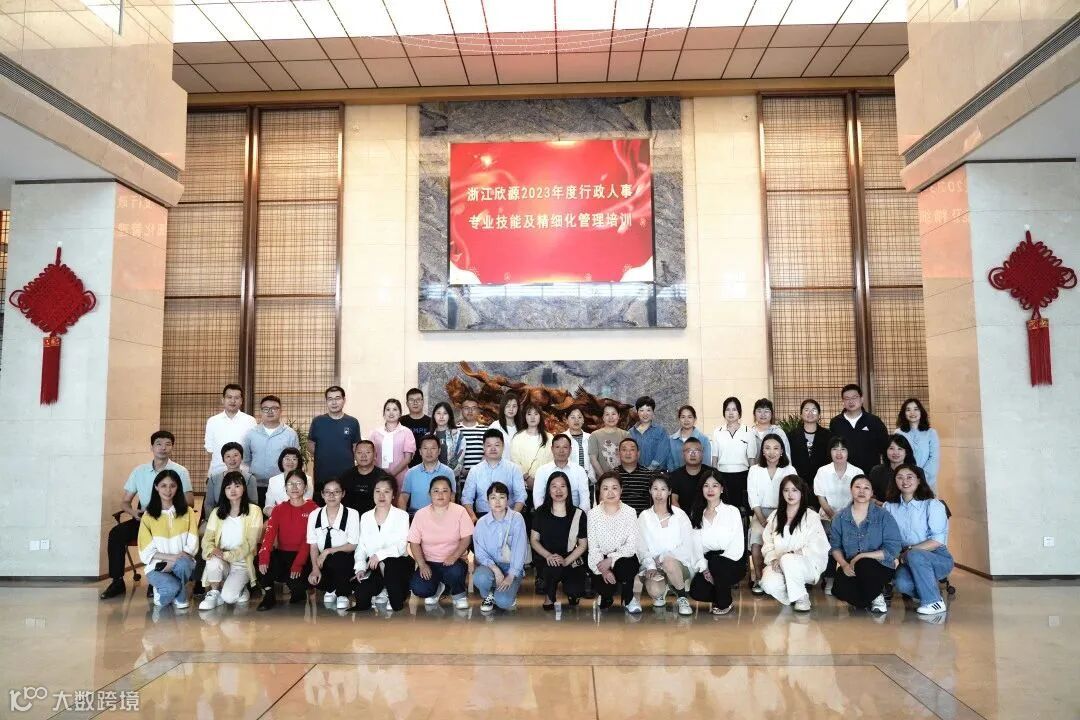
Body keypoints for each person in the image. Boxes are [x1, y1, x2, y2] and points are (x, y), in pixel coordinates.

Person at [101, 431, 193, 600]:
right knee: (116, 534)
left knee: (163, 539)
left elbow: (189, 502)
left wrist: (166, 508)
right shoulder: (139, 471)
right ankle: (117, 581)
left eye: (168, 444)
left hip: (169, 522)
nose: (163, 448)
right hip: (144, 520)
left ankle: (157, 580)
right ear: (151, 447)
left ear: (172, 447)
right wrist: (133, 512)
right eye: (159, 444)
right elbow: (125, 502)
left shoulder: (180, 471)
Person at [885, 463, 954, 616]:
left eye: (910, 477)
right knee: (902, 584)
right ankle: (929, 591)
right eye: (900, 477)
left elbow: (937, 541)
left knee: (914, 554)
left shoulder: (932, 504)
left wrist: (908, 551)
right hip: (906, 557)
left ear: (919, 480)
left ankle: (933, 602)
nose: (905, 481)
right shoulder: (889, 506)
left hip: (937, 556)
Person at [829, 475, 902, 613]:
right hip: (852, 566)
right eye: (857, 487)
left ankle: (876, 596)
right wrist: (844, 565)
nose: (861, 491)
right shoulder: (840, 517)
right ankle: (871, 594)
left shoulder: (883, 516)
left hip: (881, 565)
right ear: (851, 490)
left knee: (864, 564)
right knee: (837, 589)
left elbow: (893, 549)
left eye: (866, 488)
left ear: (872, 492)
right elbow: (835, 547)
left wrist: (861, 556)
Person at [759, 476, 830, 611]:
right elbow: (768, 543)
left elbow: (818, 544)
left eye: (794, 490)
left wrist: (789, 555)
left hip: (807, 564)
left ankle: (802, 598)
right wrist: (774, 559)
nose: (790, 494)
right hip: (778, 563)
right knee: (768, 584)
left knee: (787, 559)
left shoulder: (811, 516)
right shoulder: (775, 515)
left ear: (802, 493)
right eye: (786, 490)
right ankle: (793, 594)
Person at [199, 472, 264, 610]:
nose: (233, 490)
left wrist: (227, 555)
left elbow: (251, 542)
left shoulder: (254, 511)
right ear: (224, 491)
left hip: (242, 561)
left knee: (229, 598)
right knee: (212, 560)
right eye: (228, 487)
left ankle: (241, 590)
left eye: (237, 486)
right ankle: (214, 593)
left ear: (244, 488)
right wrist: (212, 550)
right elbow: (207, 539)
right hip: (220, 556)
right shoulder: (217, 512)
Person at [407, 476, 474, 610]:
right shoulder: (420, 514)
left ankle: (459, 594)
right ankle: (438, 587)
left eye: (445, 490)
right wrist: (422, 564)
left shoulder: (460, 511)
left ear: (451, 494)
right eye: (436, 491)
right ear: (429, 494)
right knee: (419, 589)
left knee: (455, 572)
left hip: (454, 561)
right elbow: (414, 543)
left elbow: (467, 538)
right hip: (429, 562)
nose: (440, 494)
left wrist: (454, 556)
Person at [349, 477, 414, 613]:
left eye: (386, 491)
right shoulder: (366, 517)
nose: (381, 495)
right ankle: (382, 588)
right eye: (378, 491)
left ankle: (391, 590)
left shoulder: (402, 516)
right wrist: (360, 568)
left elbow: (401, 546)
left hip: (398, 564)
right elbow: (361, 546)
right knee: (361, 597)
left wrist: (379, 555)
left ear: (393, 495)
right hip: (375, 566)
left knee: (396, 602)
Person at [256, 469, 317, 611]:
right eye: (290, 484)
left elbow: (309, 540)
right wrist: (264, 557)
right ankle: (269, 596)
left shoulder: (313, 509)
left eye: (298, 483)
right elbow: (269, 536)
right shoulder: (278, 509)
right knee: (259, 561)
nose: (294, 487)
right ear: (285, 487)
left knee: (297, 587)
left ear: (305, 487)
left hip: (304, 556)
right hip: (283, 554)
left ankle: (298, 591)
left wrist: (298, 564)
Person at [138, 469, 198, 610]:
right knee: (171, 588)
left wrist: (176, 560)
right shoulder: (148, 515)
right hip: (158, 566)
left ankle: (179, 593)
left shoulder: (188, 512)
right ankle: (168, 590)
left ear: (178, 488)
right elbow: (146, 551)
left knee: (183, 565)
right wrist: (172, 559)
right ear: (156, 487)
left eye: (172, 486)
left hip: (182, 561)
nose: (168, 490)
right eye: (163, 486)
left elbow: (193, 543)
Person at [688, 471, 746, 615]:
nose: (710, 489)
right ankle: (722, 592)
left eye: (715, 485)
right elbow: (695, 545)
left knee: (717, 563)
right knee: (696, 591)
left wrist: (717, 567)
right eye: (706, 486)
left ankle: (725, 603)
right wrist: (705, 568)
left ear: (722, 489)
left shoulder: (732, 511)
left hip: (731, 561)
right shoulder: (696, 513)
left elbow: (737, 544)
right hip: (708, 561)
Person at [747, 434, 797, 595]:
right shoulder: (755, 470)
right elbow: (753, 497)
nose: (771, 452)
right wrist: (762, 519)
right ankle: (759, 579)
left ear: (782, 451)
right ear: (762, 451)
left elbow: (794, 495)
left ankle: (787, 578)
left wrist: (781, 516)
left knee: (783, 543)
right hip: (760, 513)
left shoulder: (789, 470)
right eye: (767, 448)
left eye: (776, 448)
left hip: (784, 512)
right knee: (756, 542)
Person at [637, 476, 695, 615]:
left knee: (669, 561)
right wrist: (651, 565)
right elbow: (640, 546)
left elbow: (688, 545)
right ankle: (665, 588)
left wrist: (663, 557)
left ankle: (682, 597)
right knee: (655, 591)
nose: (659, 493)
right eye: (655, 489)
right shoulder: (644, 516)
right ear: (650, 491)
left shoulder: (680, 515)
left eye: (663, 489)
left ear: (669, 491)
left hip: (678, 565)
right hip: (655, 566)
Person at [530, 472, 589, 610]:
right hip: (547, 558)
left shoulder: (578, 514)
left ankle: (572, 592)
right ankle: (549, 596)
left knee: (575, 591)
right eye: (554, 486)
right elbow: (534, 540)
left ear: (568, 489)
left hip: (571, 558)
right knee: (552, 566)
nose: (558, 490)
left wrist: (566, 561)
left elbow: (583, 545)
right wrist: (549, 556)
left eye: (563, 486)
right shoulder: (540, 512)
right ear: (548, 490)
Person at [813, 437, 863, 594]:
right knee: (828, 537)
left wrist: (843, 517)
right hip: (827, 517)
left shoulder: (857, 472)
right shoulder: (822, 471)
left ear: (848, 452)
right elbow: (821, 498)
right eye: (835, 449)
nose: (839, 453)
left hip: (851, 517)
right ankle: (829, 577)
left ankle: (850, 574)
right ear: (830, 452)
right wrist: (833, 516)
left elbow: (858, 498)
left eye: (843, 449)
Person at [587, 472, 641, 613]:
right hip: (601, 559)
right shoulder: (592, 514)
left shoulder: (630, 512)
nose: (610, 492)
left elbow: (632, 545)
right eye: (605, 488)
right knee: (604, 587)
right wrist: (604, 569)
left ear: (621, 489)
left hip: (623, 557)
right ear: (600, 491)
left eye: (614, 488)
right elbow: (593, 547)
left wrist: (611, 559)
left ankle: (628, 598)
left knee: (626, 566)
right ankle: (606, 596)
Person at [473, 482, 529, 613]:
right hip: (490, 567)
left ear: (508, 500)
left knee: (503, 602)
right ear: (487, 501)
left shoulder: (516, 518)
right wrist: (496, 570)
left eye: (502, 497)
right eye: (493, 497)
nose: (497, 501)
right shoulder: (481, 523)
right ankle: (489, 595)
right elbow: (480, 553)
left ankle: (503, 594)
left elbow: (520, 550)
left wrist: (511, 576)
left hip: (511, 567)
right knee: (480, 577)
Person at [306, 479, 360, 610]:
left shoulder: (352, 514)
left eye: (336, 492)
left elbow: (353, 545)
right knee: (308, 575)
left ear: (343, 494)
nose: (331, 495)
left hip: (345, 560)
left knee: (339, 558)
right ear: (322, 494)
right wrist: (315, 568)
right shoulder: (314, 515)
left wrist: (327, 551)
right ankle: (331, 588)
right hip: (322, 560)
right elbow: (313, 546)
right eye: (327, 492)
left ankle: (342, 593)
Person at [243, 395, 299, 508]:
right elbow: (247, 459)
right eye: (266, 409)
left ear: (280, 410)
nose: (270, 411)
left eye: (274, 408)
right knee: (257, 515)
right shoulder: (251, 433)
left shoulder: (290, 434)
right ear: (261, 411)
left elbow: (296, 460)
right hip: (256, 485)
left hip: (282, 485)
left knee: (281, 516)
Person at [461, 429, 527, 522]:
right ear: (483, 447)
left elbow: (521, 496)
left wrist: (513, 518)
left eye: (497, 445)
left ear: (503, 446)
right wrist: (473, 517)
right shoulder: (475, 470)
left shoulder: (514, 469)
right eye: (489, 445)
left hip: (508, 515)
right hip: (483, 516)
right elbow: (466, 498)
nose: (493, 449)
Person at [828, 384, 889, 478]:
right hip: (844, 474)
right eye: (847, 398)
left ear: (862, 399)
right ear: (843, 402)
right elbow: (832, 448)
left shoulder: (874, 421)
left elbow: (885, 447)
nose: (851, 401)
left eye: (854, 397)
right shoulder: (836, 422)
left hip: (870, 474)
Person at [307, 385, 361, 487]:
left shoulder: (352, 422)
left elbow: (356, 447)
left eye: (337, 398)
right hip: (322, 474)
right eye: (330, 399)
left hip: (346, 475)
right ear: (326, 401)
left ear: (344, 400)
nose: (334, 402)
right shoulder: (317, 421)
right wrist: (325, 455)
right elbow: (310, 445)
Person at [710, 397, 755, 514]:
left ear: (739, 412)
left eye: (734, 409)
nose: (731, 413)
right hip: (723, 476)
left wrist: (752, 479)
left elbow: (752, 459)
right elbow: (714, 458)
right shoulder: (717, 432)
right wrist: (714, 478)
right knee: (724, 509)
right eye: (727, 409)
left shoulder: (749, 431)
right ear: (724, 412)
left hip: (743, 476)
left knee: (742, 511)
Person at [203, 383, 256, 482]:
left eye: (236, 398)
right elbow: (210, 450)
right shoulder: (212, 421)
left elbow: (253, 448)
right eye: (229, 397)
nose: (233, 401)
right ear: (223, 400)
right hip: (217, 473)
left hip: (243, 474)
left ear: (241, 401)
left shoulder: (250, 421)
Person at [787, 399, 832, 509]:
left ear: (819, 414)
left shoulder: (828, 435)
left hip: (822, 485)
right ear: (801, 414)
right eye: (806, 410)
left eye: (814, 410)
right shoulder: (792, 436)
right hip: (798, 485)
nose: (810, 413)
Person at [333, 440, 394, 516]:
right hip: (350, 518)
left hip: (375, 518)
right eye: (359, 453)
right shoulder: (346, 476)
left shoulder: (383, 477)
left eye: (368, 452)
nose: (363, 456)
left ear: (375, 455)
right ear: (354, 455)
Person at [532, 434, 591, 511]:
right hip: (549, 514)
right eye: (557, 447)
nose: (561, 451)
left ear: (570, 450)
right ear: (552, 449)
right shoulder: (542, 471)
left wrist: (578, 516)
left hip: (574, 514)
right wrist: (545, 515)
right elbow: (538, 498)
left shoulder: (579, 471)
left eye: (565, 447)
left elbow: (585, 501)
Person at [400, 436, 456, 515]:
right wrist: (403, 518)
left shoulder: (448, 472)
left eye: (433, 448)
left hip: (440, 515)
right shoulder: (411, 473)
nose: (429, 452)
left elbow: (451, 497)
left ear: (439, 451)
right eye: (425, 448)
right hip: (416, 515)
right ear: (420, 451)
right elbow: (403, 497)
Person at [368, 398, 416, 490]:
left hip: (401, 476)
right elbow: (371, 456)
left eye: (395, 409)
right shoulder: (375, 433)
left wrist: (391, 474)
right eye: (388, 409)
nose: (391, 412)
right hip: (379, 477)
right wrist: (381, 474)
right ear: (383, 413)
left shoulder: (406, 432)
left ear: (400, 413)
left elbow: (407, 458)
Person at [896, 398, 940, 491]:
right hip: (905, 482)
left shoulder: (931, 433)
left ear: (921, 412)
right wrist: (909, 478)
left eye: (916, 409)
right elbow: (897, 457)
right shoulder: (898, 433)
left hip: (927, 481)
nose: (912, 413)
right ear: (904, 413)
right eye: (908, 410)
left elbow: (934, 458)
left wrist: (921, 478)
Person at [203, 442, 257, 518]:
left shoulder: (250, 479)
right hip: (219, 518)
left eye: (235, 455)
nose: (232, 459)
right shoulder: (213, 479)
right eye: (228, 456)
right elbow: (209, 504)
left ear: (242, 457)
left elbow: (253, 505)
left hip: (243, 519)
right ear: (223, 459)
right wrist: (213, 520)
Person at [510, 402, 554, 491]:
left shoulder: (549, 437)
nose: (532, 417)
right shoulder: (518, 437)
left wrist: (540, 480)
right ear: (525, 417)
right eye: (529, 414)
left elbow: (552, 461)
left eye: (536, 414)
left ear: (540, 416)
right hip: (523, 485)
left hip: (544, 484)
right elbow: (515, 461)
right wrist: (526, 477)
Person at [868, 435, 919, 504]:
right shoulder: (876, 471)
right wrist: (878, 503)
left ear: (906, 452)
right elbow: (870, 494)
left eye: (900, 449)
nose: (895, 452)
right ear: (886, 451)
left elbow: (922, 496)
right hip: (881, 508)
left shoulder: (917, 471)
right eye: (891, 448)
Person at [668, 437, 716, 508]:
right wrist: (681, 514)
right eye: (689, 451)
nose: (693, 454)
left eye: (696, 451)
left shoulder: (712, 473)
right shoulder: (675, 476)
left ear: (702, 454)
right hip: (681, 514)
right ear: (683, 454)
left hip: (708, 513)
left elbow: (717, 499)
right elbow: (673, 501)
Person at [263, 447, 312, 517]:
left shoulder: (307, 479)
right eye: (287, 458)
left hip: (300, 517)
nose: (290, 462)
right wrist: (279, 517)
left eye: (294, 459)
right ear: (281, 461)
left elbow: (307, 505)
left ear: (299, 462)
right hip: (278, 517)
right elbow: (268, 506)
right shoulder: (273, 480)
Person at [614, 438, 657, 514]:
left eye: (632, 450)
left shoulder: (649, 475)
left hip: (643, 518)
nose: (628, 453)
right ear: (618, 453)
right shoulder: (612, 476)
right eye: (624, 450)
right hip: (618, 518)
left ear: (638, 453)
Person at [667, 404, 712, 473]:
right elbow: (670, 464)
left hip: (699, 478)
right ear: (679, 419)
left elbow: (706, 464)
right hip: (677, 477)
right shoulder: (671, 440)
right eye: (683, 417)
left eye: (690, 417)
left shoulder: (704, 439)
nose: (686, 420)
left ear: (695, 419)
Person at [588, 403, 628, 477]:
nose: (611, 417)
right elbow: (593, 459)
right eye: (607, 414)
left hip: (623, 478)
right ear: (603, 417)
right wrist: (604, 478)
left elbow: (630, 457)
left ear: (618, 416)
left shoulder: (626, 435)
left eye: (613, 414)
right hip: (602, 479)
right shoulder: (595, 435)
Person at [628, 396, 668, 471]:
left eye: (648, 410)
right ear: (637, 412)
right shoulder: (630, 433)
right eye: (641, 410)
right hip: (636, 473)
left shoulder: (660, 431)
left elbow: (662, 452)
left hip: (656, 473)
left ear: (653, 412)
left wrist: (650, 470)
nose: (645, 414)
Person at [430, 401, 465, 475]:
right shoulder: (429, 436)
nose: (441, 416)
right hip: (432, 476)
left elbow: (460, 458)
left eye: (445, 413)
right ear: (434, 415)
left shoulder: (457, 435)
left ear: (449, 416)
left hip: (451, 476)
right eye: (438, 413)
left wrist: (447, 475)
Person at [563, 407, 595, 487]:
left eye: (579, 417)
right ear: (566, 420)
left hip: (588, 481)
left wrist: (591, 478)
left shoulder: (590, 438)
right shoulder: (561, 438)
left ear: (583, 420)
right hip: (568, 482)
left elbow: (594, 460)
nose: (576, 420)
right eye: (572, 417)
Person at [457, 398, 487, 482]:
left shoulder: (486, 430)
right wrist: (461, 470)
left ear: (478, 411)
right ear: (461, 410)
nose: (470, 411)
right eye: (466, 408)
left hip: (481, 479)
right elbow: (450, 453)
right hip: (459, 480)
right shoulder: (454, 430)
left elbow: (488, 453)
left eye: (473, 408)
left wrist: (475, 471)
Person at [401, 388, 431, 468]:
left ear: (423, 402)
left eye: (418, 399)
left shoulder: (431, 422)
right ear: (407, 403)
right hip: (404, 466)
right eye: (411, 400)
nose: (415, 403)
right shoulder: (400, 422)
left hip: (427, 465)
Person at [488, 393, 520, 459]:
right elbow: (488, 449)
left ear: (518, 408)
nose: (511, 409)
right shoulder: (495, 427)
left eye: (514, 406)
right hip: (500, 464)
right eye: (508, 406)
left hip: (518, 465)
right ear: (503, 407)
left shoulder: (522, 427)